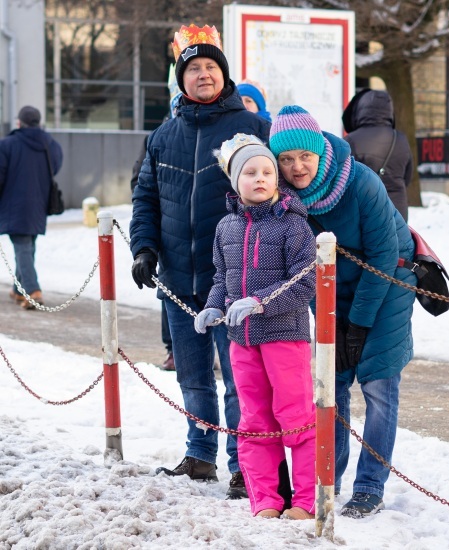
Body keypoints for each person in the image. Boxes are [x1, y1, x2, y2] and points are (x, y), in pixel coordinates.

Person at [129, 23, 270, 499]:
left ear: (224, 75)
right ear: (181, 78)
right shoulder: (163, 135)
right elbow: (145, 196)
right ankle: (199, 455)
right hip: (176, 278)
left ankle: (242, 464)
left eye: (211, 66)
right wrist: (144, 249)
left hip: (232, 279)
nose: (203, 74)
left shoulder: (251, 129)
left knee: (239, 381)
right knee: (192, 377)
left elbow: (273, 191)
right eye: (194, 68)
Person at [269, 105, 417, 518]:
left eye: (305, 156)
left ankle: (371, 486)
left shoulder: (359, 182)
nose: (297, 167)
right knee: (330, 389)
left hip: (388, 284)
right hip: (333, 290)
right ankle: (327, 477)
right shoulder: (287, 198)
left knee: (378, 385)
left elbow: (385, 255)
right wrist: (329, 317)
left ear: (319, 152)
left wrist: (358, 323)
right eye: (286, 159)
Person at [194, 134, 316, 520]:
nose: (260, 178)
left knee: (296, 417)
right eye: (250, 172)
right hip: (240, 342)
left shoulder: (293, 227)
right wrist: (213, 306)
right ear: (235, 181)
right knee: (254, 421)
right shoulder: (225, 227)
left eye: (267, 171)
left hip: (285, 337)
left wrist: (261, 303)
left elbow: (305, 282)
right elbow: (221, 277)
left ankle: (307, 501)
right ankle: (264, 499)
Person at [129, 65, 183, 372]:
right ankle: (172, 347)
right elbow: (141, 184)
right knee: (171, 294)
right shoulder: (158, 138)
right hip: (168, 230)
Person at [0, 105, 63, 310]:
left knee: (23, 247)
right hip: (38, 203)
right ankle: (18, 290)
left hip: (14, 205)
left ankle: (33, 291)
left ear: (19, 123)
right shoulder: (50, 144)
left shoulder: (7, 144)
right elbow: (56, 164)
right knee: (27, 246)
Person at [342, 89, 413, 221]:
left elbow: (343, 181)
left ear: (360, 109)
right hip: (398, 210)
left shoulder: (350, 140)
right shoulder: (401, 138)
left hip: (366, 210)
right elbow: (407, 176)